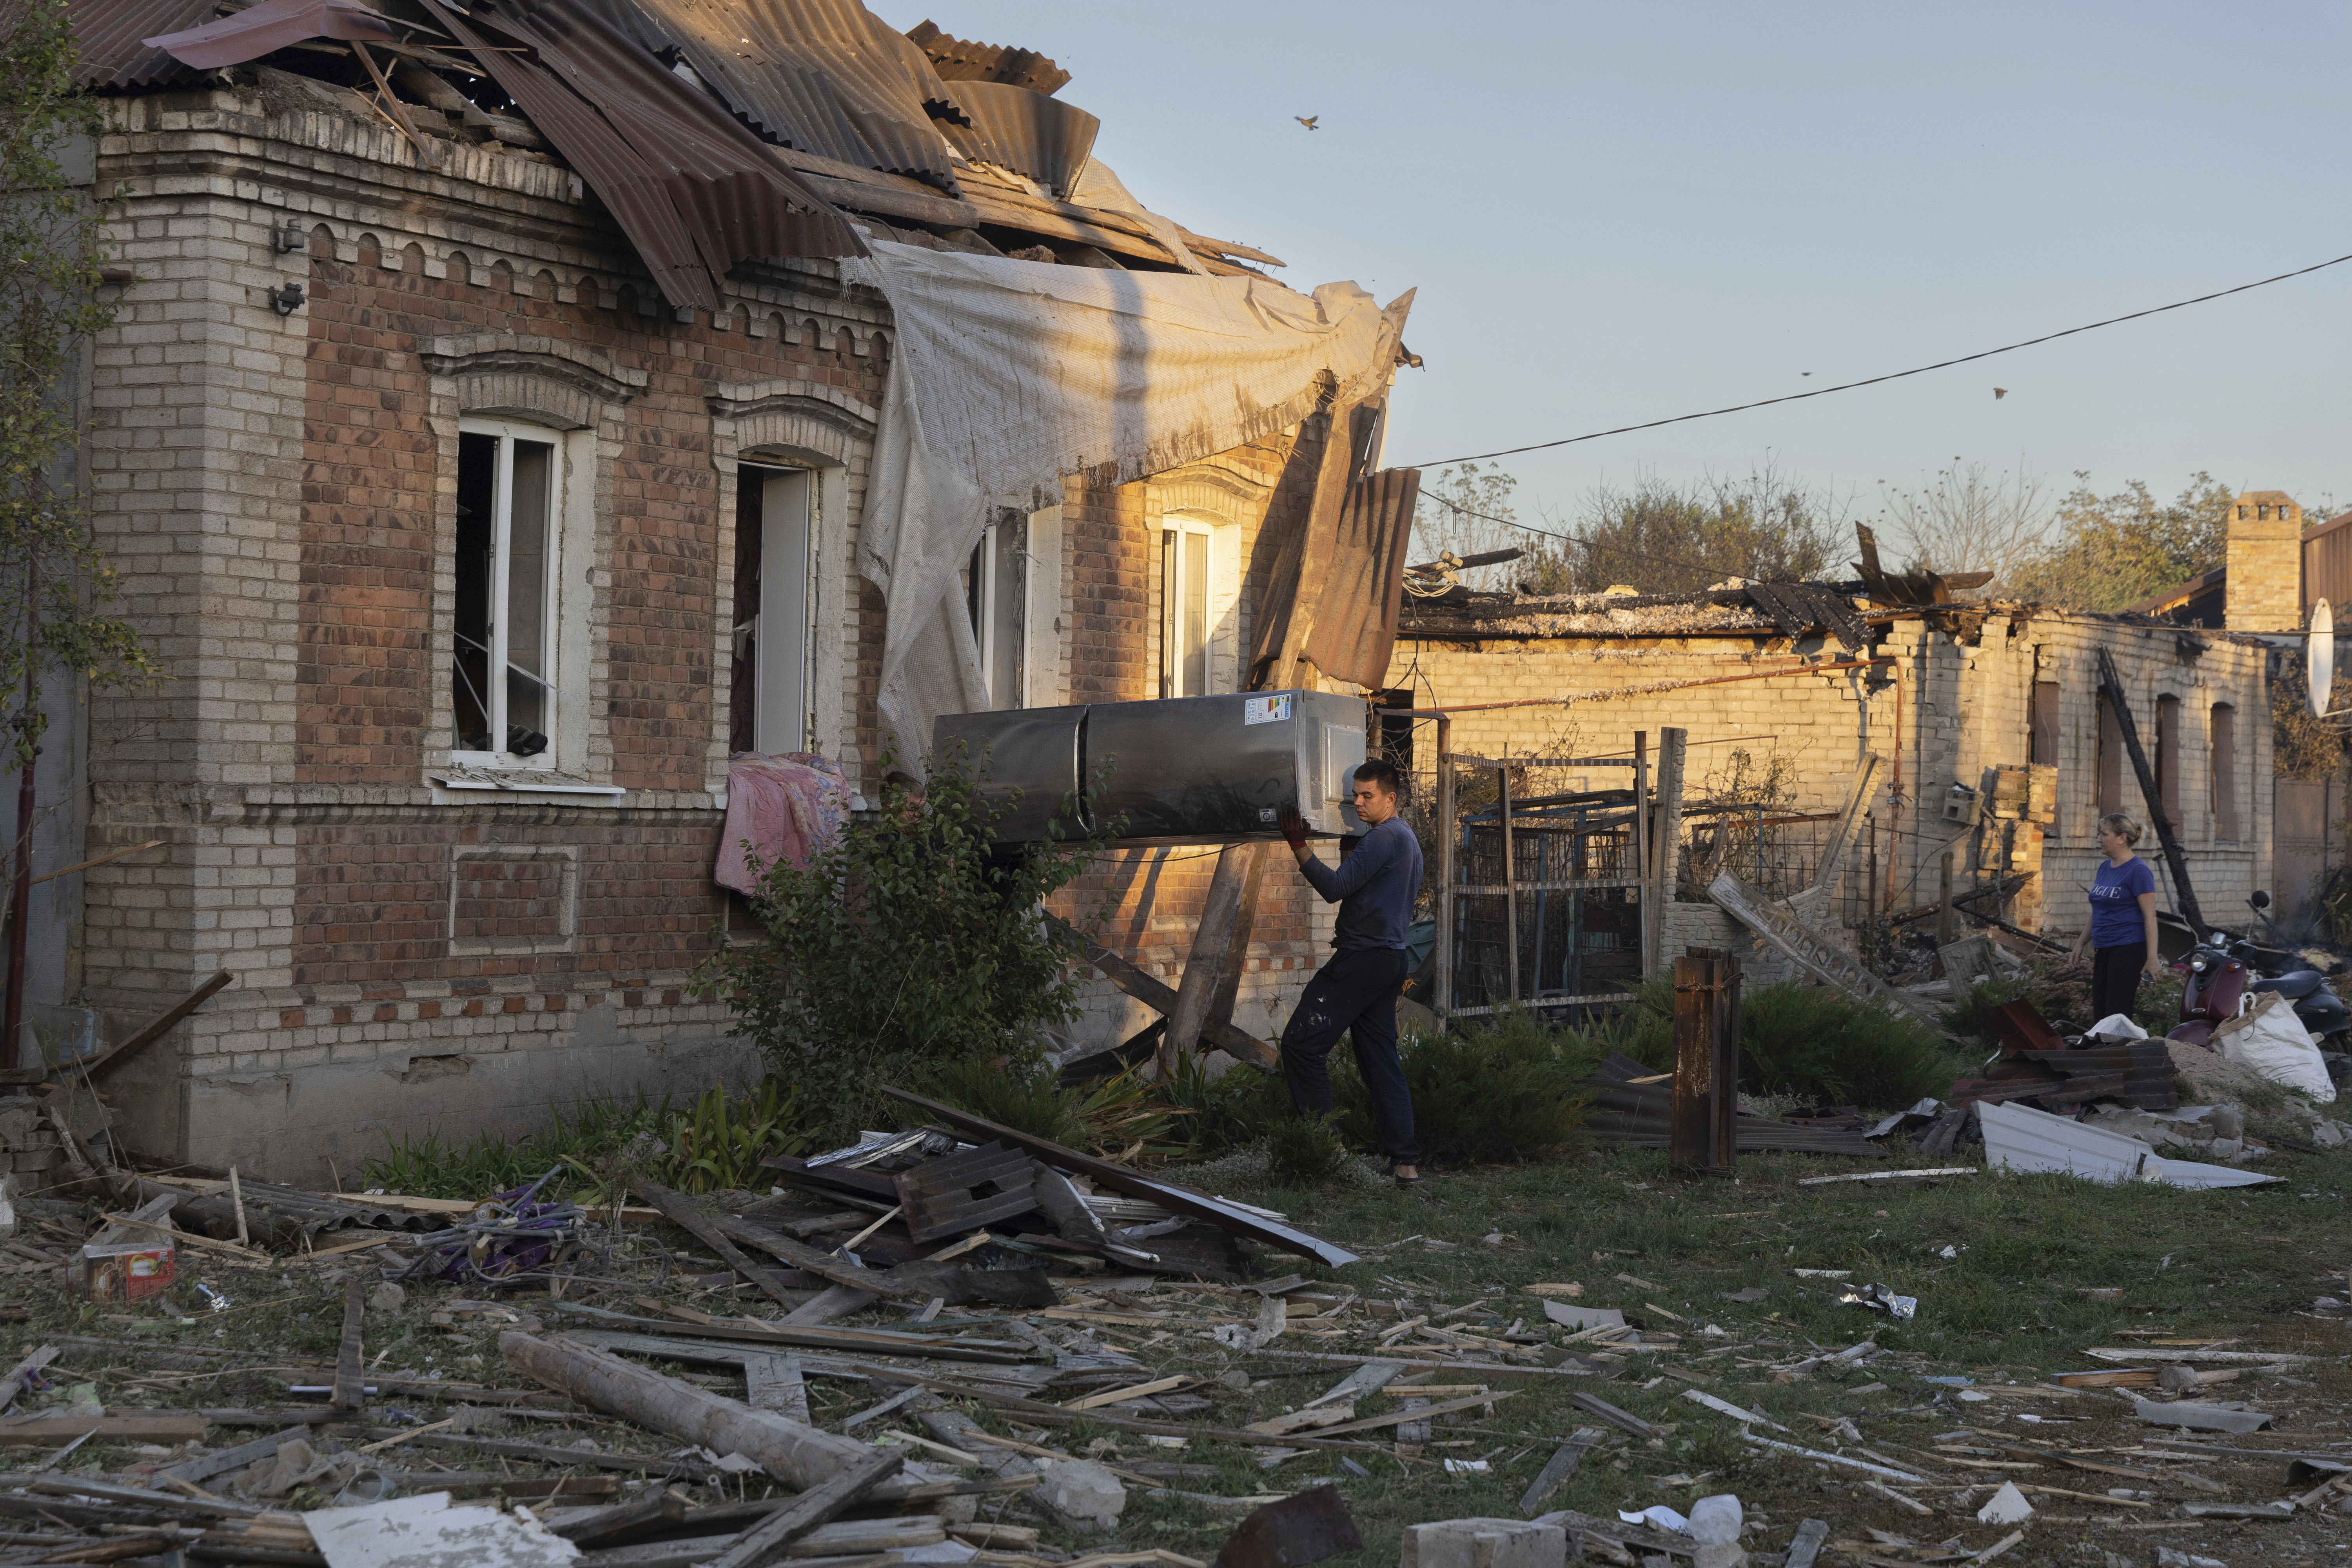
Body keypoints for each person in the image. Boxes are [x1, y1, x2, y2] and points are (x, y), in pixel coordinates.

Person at [1275, 759, 1424, 1187]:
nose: (1358, 802)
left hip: (1361, 960)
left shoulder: (1384, 837)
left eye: (1367, 795)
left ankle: (1327, 1154)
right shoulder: (1406, 838)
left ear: (1390, 798)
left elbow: (1334, 888)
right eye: (1355, 794)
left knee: (1302, 1045)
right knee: (1381, 1062)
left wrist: (1298, 844)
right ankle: (1405, 1164)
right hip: (1388, 960)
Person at [2070, 811, 2161, 1025]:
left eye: (2104, 834)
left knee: (2116, 1012)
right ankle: (2102, 1054)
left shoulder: (2138, 871)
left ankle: (2117, 1055)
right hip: (2104, 949)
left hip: (2128, 949)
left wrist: (2152, 958)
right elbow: (2098, 911)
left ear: (2122, 838)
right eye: (2099, 834)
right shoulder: (2105, 867)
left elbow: (2150, 916)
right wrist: (2081, 943)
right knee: (2100, 1009)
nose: (2099, 839)